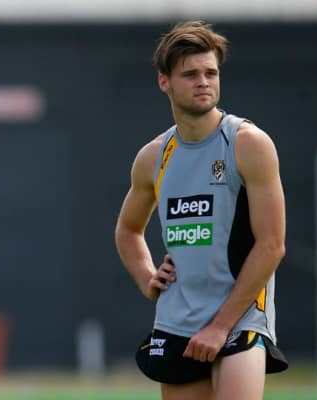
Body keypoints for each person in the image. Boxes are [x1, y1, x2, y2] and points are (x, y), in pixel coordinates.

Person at [114, 21, 288, 399]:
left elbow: (272, 245)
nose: (203, 82)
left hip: (240, 321)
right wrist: (147, 277)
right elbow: (128, 230)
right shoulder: (153, 157)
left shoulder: (247, 144)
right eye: (190, 74)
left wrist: (219, 326)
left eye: (211, 73)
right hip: (178, 323)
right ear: (165, 82)